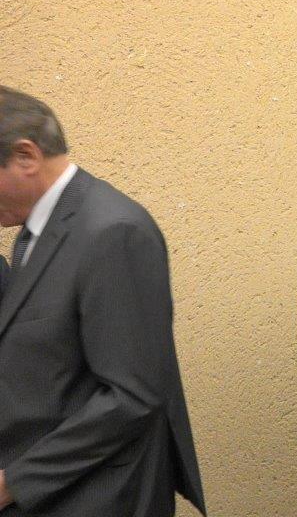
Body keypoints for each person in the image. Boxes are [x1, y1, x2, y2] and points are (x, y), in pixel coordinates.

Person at [0, 86, 204, 516]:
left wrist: (15, 482)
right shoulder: (36, 229)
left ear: (26, 156)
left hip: (98, 496)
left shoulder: (113, 232)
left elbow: (132, 395)